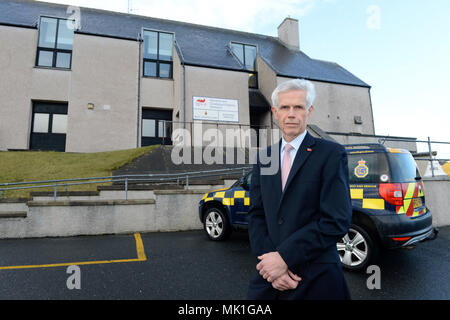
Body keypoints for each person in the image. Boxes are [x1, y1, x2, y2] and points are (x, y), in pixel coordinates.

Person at [247, 79, 352, 300]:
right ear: (275, 112)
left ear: (309, 111)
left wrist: (284, 259)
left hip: (317, 278)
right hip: (270, 280)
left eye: (299, 107)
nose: (291, 114)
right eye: (285, 107)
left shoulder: (331, 154)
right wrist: (271, 267)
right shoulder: (264, 158)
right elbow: (257, 214)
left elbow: (336, 220)